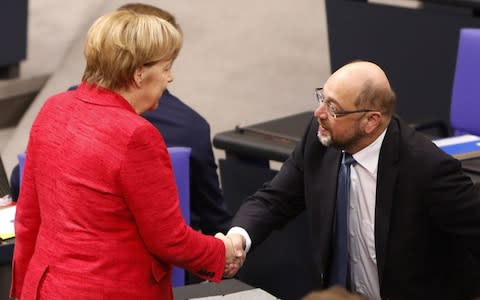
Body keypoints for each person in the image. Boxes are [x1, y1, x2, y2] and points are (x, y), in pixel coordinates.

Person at [11, 10, 241, 300]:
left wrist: (22, 291)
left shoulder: (52, 109)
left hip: (45, 289)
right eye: (167, 66)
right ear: (139, 73)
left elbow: (28, 219)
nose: (170, 77)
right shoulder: (136, 136)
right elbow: (168, 240)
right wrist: (223, 253)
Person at [226, 61, 480, 299]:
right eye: (321, 98)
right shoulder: (319, 141)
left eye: (333, 108)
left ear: (371, 121)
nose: (319, 113)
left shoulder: (426, 168)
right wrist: (237, 239)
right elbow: (275, 200)